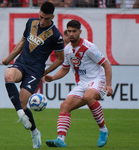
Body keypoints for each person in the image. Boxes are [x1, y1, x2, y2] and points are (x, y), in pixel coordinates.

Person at [2, 2, 64, 149]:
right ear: (39, 13)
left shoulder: (56, 35)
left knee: (23, 104)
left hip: (35, 71)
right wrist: (9, 57)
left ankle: (35, 132)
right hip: (22, 63)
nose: (42, 21)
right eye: (41, 17)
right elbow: (23, 41)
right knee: (8, 75)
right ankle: (20, 115)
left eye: (46, 19)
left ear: (52, 17)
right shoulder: (31, 22)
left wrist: (45, 72)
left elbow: (60, 59)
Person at [44, 20, 113, 148]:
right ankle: (60, 139)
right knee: (65, 106)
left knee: (88, 97)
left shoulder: (89, 47)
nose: (71, 34)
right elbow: (65, 68)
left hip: (97, 79)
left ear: (80, 32)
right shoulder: (68, 50)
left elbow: (106, 64)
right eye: (69, 31)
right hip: (82, 83)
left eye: (74, 31)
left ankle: (103, 130)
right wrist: (53, 78)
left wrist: (108, 85)